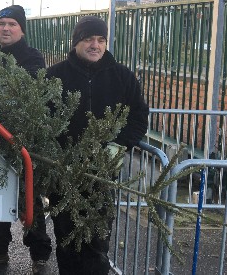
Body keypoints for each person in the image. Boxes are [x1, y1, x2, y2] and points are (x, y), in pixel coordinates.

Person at [45, 15, 149, 275]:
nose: (95, 45)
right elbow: (41, 118)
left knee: (97, 239)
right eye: (89, 39)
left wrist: (118, 144)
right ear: (76, 42)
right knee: (66, 236)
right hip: (63, 170)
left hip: (101, 174)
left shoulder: (122, 76)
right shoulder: (54, 76)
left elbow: (139, 116)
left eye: (101, 40)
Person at [0, 5, 52, 275]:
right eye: (1, 23)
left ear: (22, 29)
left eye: (11, 24)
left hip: (25, 139)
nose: (5, 28)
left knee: (29, 194)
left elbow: (28, 89)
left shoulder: (32, 58)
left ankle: (40, 255)